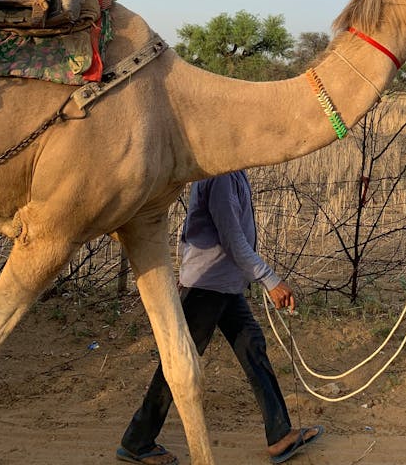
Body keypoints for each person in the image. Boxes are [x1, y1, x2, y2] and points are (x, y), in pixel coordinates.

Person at [117, 170, 324, 465]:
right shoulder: (220, 177)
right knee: (179, 365)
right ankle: (137, 440)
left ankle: (280, 435)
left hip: (225, 285)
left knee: (253, 347)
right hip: (206, 287)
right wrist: (270, 280)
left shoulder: (234, 172)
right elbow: (233, 240)